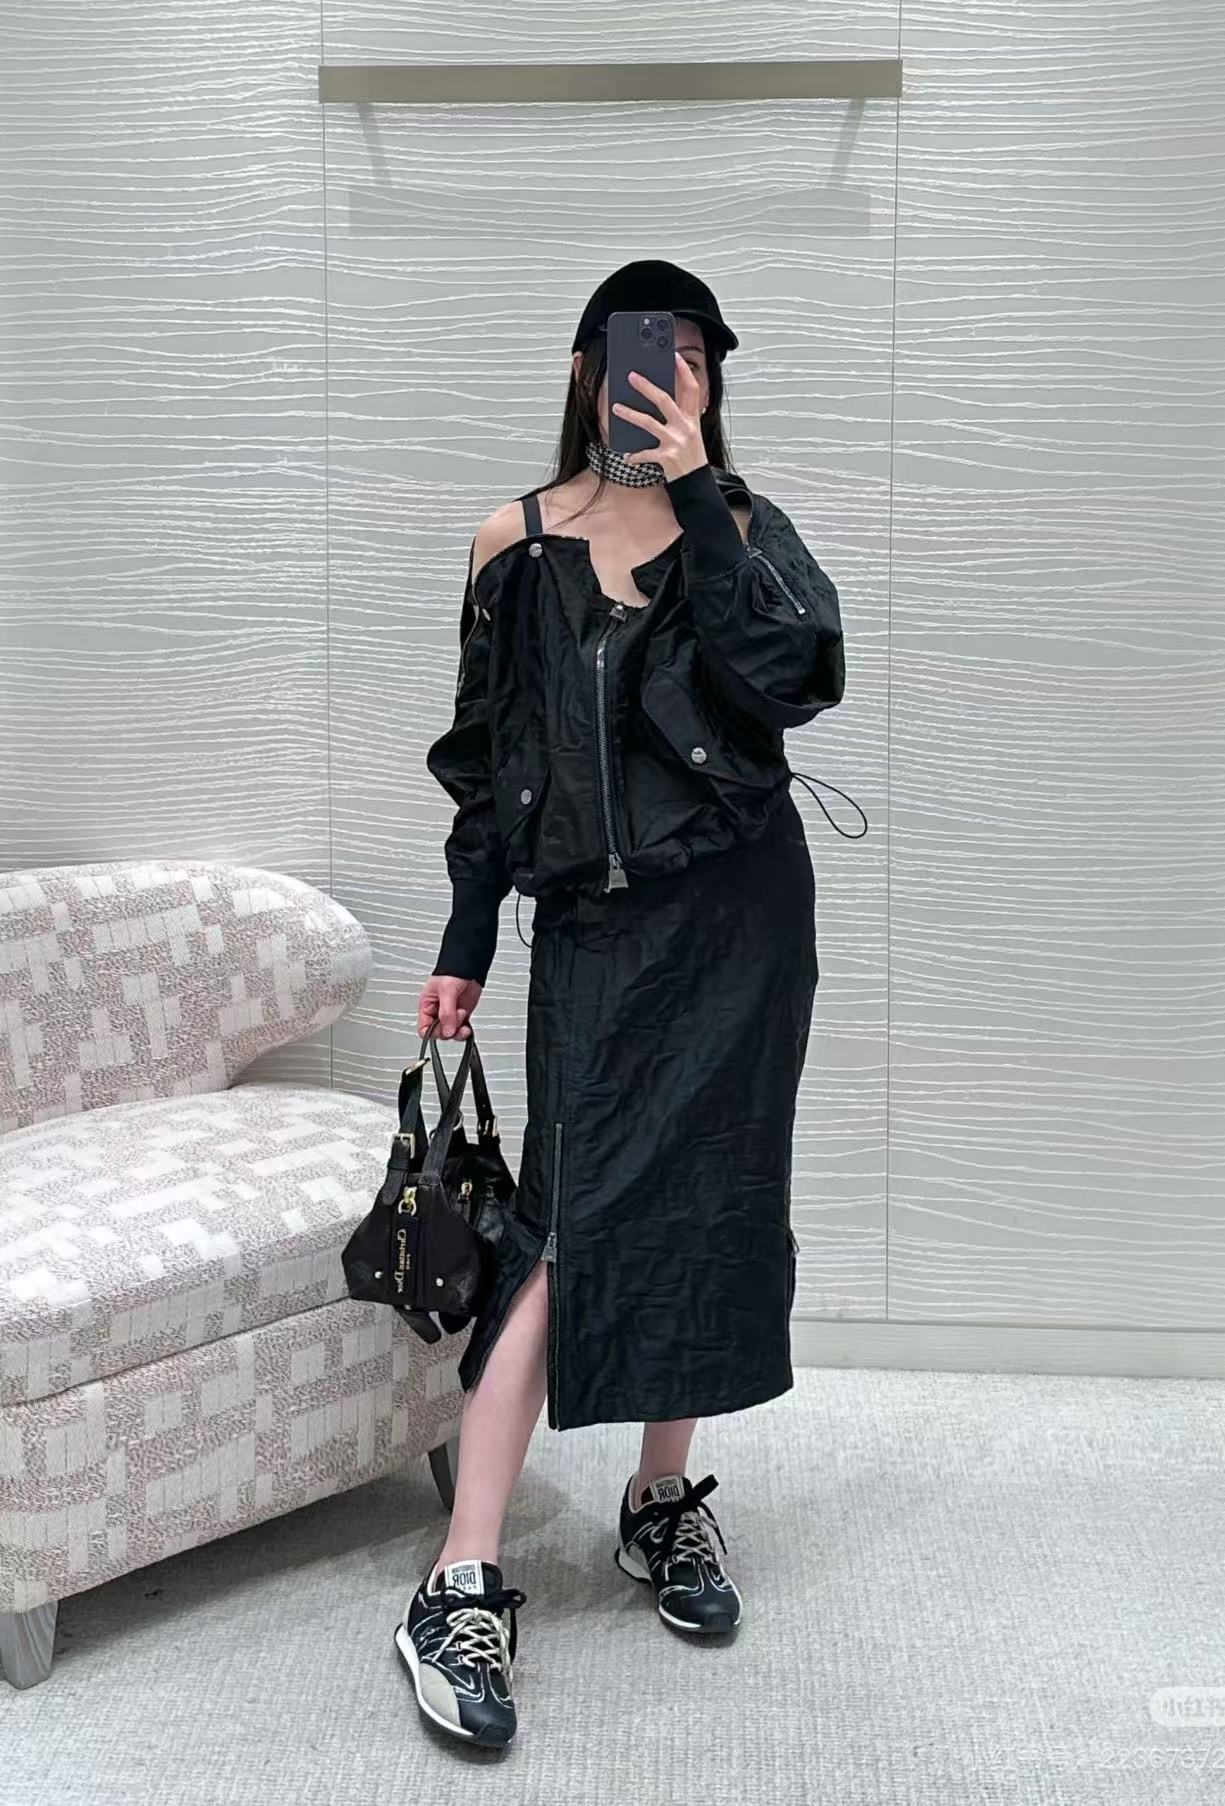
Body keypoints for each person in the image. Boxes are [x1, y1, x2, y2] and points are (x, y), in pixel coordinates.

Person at [395, 260, 845, 1747]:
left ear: (710, 381)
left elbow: (796, 679)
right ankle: (461, 1572)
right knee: (567, 1218)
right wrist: (467, 939)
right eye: (640, 354)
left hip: (742, 926)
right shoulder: (512, 544)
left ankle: (660, 1498)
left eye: (690, 359)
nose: (661, 377)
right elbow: (485, 765)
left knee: (709, 1198)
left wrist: (700, 490)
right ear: (587, 370)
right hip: (595, 933)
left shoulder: (746, 534)